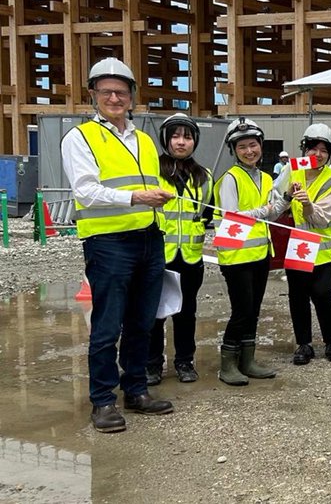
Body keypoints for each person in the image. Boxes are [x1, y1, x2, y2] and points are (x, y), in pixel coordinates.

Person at [63, 58, 176, 432]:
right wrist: (137, 198)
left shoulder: (143, 138)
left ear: (132, 97)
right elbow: (85, 190)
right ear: (93, 94)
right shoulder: (80, 138)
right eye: (107, 91)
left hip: (148, 238)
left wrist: (157, 200)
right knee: (107, 325)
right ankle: (103, 401)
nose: (115, 98)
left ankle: (137, 390)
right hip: (108, 243)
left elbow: (147, 186)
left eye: (122, 92)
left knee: (142, 322)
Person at [214, 118, 290, 386]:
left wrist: (287, 199)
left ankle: (248, 360)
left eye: (253, 145)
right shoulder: (229, 179)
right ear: (233, 150)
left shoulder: (267, 177)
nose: (249, 151)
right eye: (243, 146)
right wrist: (265, 211)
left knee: (254, 309)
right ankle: (228, 364)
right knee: (241, 310)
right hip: (236, 257)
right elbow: (231, 217)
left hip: (259, 255)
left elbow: (274, 212)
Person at [275, 123, 331, 365]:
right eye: (313, 148)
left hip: (323, 250)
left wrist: (307, 204)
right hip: (298, 246)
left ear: (329, 154)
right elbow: (275, 198)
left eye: (324, 150)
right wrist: (286, 196)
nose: (317, 154)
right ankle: (304, 344)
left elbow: (320, 218)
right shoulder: (292, 169)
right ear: (304, 149)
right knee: (297, 296)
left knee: (323, 294)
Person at [147, 113, 213, 386]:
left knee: (187, 313)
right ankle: (152, 365)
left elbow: (207, 216)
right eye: (175, 136)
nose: (181, 142)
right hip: (159, 256)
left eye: (187, 137)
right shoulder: (152, 172)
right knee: (155, 313)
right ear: (166, 139)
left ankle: (185, 361)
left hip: (190, 257)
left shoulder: (204, 176)